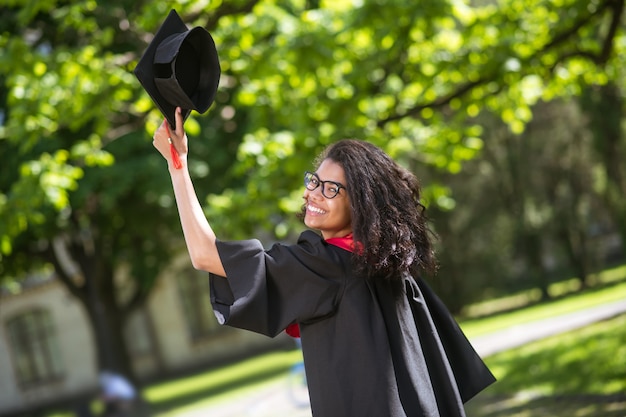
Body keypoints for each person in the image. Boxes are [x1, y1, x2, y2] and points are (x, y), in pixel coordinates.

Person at [152, 107, 495, 417]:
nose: (313, 194)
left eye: (331, 189)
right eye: (314, 181)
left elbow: (204, 254)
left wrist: (177, 166)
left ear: (360, 203)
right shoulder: (388, 265)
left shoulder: (328, 266)